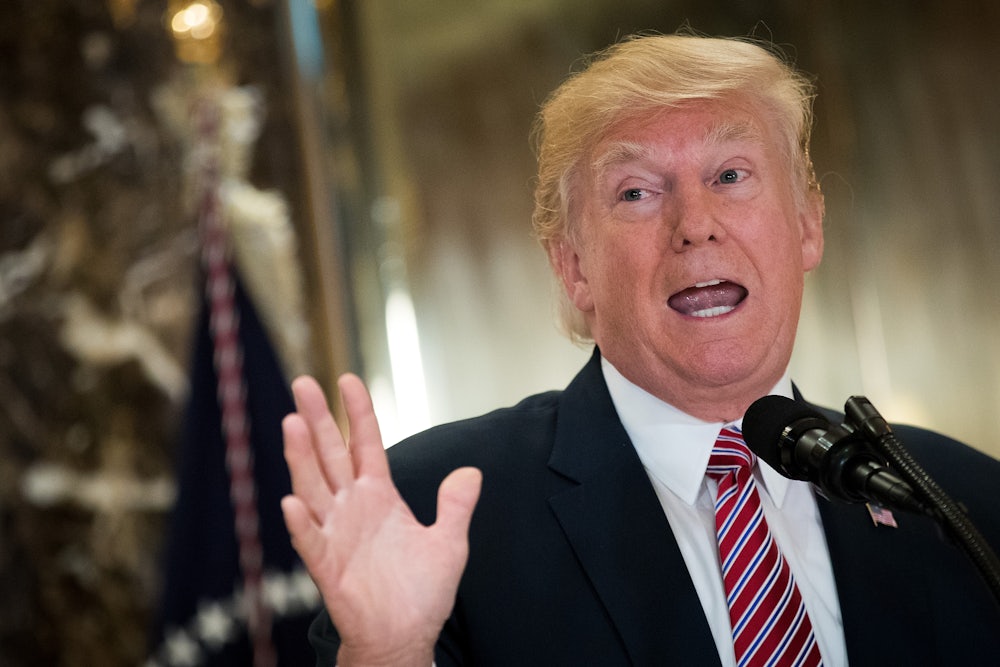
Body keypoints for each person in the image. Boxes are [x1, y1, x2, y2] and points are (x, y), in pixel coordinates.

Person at [280, 33, 1000, 666]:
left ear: (808, 223)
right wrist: (389, 653)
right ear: (574, 267)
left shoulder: (962, 504)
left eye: (730, 175)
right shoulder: (439, 513)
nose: (696, 224)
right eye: (636, 192)